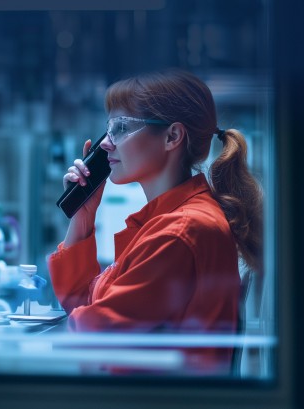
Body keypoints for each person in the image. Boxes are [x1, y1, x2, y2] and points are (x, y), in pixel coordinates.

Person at [48, 68, 263, 374]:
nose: (107, 143)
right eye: (108, 129)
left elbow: (94, 334)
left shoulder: (180, 233)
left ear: (172, 136)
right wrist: (83, 216)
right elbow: (84, 304)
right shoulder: (169, 222)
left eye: (121, 127)